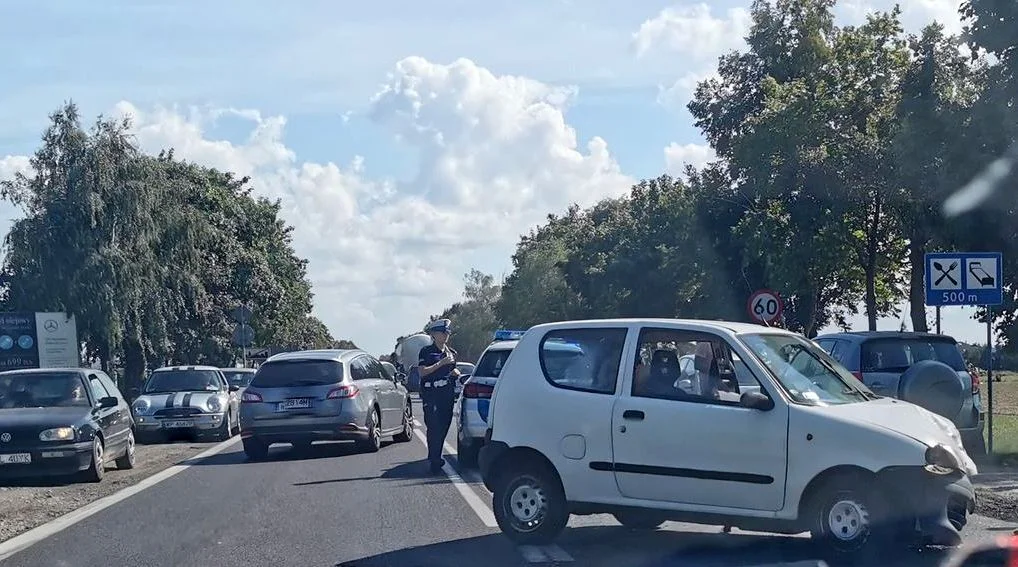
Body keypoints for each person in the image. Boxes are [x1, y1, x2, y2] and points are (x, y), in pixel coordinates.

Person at [417, 318, 461, 474]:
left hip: (446, 393)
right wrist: (440, 364)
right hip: (431, 393)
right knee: (433, 425)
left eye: (447, 332)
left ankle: (436, 454)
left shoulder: (452, 353)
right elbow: (422, 372)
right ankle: (435, 458)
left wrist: (455, 373)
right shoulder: (426, 352)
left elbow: (453, 370)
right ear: (434, 334)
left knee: (444, 426)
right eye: (443, 332)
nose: (446, 335)